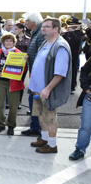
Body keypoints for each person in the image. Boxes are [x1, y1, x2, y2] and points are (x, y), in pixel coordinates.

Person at [29, 18, 71, 153]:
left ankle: (52, 145)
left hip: (48, 91)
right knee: (41, 115)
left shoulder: (60, 46)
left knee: (50, 118)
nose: (43, 29)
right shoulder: (46, 43)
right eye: (43, 27)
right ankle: (44, 138)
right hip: (38, 90)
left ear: (55, 29)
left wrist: (48, 88)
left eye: (46, 27)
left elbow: (60, 73)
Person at [0, 33, 26, 135]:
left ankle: (11, 126)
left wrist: (24, 62)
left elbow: (23, 70)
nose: (8, 43)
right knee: (0, 105)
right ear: (3, 42)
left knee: (13, 106)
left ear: (14, 42)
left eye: (10, 41)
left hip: (13, 82)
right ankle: (1, 124)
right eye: (6, 41)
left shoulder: (19, 53)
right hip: (0, 81)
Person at [21, 12, 45, 136]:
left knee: (35, 101)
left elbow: (41, 55)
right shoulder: (37, 32)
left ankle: (37, 128)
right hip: (35, 72)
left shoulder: (40, 33)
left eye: (27, 21)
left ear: (33, 22)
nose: (25, 23)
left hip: (39, 74)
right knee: (33, 100)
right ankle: (35, 126)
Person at [69, 57, 91, 160]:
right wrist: (86, 87)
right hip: (89, 98)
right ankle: (80, 149)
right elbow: (84, 70)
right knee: (85, 126)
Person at [62, 17, 85, 94]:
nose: (70, 25)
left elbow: (78, 41)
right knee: (64, 70)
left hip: (74, 53)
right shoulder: (67, 32)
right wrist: (63, 33)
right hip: (65, 53)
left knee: (73, 70)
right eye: (70, 24)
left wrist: (72, 32)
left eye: (72, 24)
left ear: (76, 25)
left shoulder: (80, 33)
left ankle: (72, 86)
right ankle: (65, 86)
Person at [14, 22, 31, 109]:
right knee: (13, 82)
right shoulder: (12, 38)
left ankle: (19, 101)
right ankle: (12, 101)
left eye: (16, 29)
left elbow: (30, 51)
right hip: (13, 63)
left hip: (24, 64)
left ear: (21, 29)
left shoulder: (28, 39)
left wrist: (27, 55)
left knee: (20, 82)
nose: (14, 30)